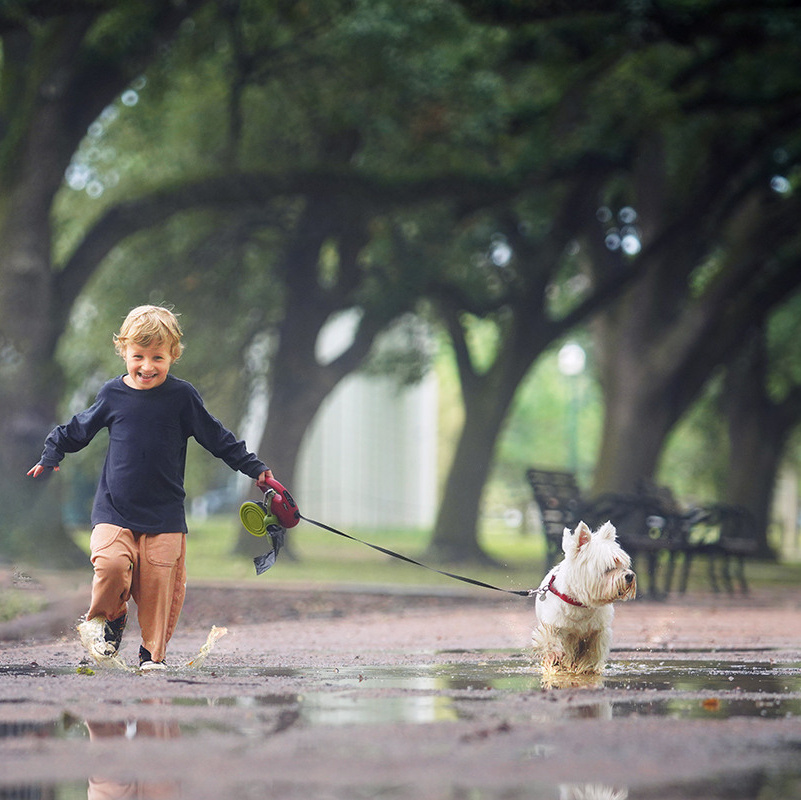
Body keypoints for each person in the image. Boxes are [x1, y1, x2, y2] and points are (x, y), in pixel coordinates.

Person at [28, 305, 273, 670]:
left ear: (173, 355)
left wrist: (255, 469)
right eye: (138, 356)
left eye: (157, 357)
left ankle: (151, 655)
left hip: (164, 514)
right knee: (110, 566)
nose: (147, 366)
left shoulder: (182, 397)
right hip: (114, 509)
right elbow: (78, 428)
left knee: (159, 586)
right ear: (124, 352)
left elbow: (217, 437)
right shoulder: (113, 394)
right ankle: (109, 621)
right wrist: (52, 453)